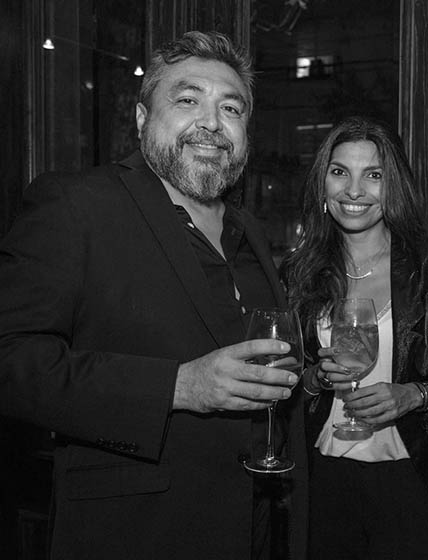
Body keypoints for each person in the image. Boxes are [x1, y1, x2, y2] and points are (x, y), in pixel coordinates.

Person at [0, 31, 306, 559]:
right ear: (142, 119)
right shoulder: (76, 205)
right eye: (188, 100)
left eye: (230, 108)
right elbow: (10, 360)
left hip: (257, 527)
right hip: (138, 534)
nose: (211, 122)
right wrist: (178, 386)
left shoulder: (249, 230)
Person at [283, 116, 428, 559]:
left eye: (372, 175)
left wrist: (411, 396)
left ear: (392, 185)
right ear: (323, 184)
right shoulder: (298, 272)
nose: (354, 190)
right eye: (340, 172)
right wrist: (316, 378)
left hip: (412, 477)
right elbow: (286, 377)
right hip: (324, 477)